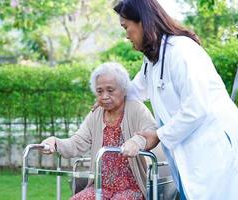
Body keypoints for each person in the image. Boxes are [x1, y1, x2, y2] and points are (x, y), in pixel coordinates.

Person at [113, 0, 238, 199]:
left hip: (212, 141)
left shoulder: (182, 51)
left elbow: (196, 108)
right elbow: (136, 90)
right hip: (191, 148)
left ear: (143, 22)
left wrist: (158, 135)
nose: (126, 34)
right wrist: (111, 96)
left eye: (126, 27)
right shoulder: (153, 58)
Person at [40, 62, 157, 200]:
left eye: (110, 90)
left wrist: (137, 142)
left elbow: (152, 132)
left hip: (132, 187)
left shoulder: (136, 109)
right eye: (100, 91)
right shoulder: (96, 114)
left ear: (124, 89)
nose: (104, 96)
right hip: (101, 187)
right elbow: (77, 143)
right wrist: (55, 142)